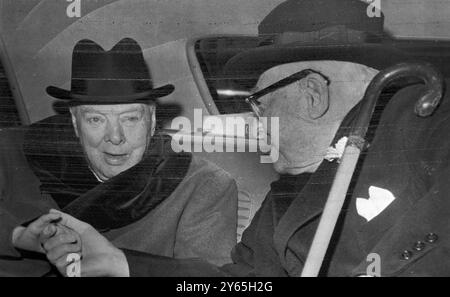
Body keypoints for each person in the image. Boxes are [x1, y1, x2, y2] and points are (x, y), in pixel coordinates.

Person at [29, 0, 450, 276]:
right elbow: (239, 284)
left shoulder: (429, 124)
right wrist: (122, 265)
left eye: (260, 104)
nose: (256, 120)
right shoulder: (284, 199)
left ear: (312, 94)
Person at [0, 38, 238, 276]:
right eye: (96, 119)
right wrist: (18, 235)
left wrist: (121, 264)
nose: (115, 137)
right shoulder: (13, 154)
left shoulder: (201, 185)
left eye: (130, 118)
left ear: (152, 119)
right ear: (74, 121)